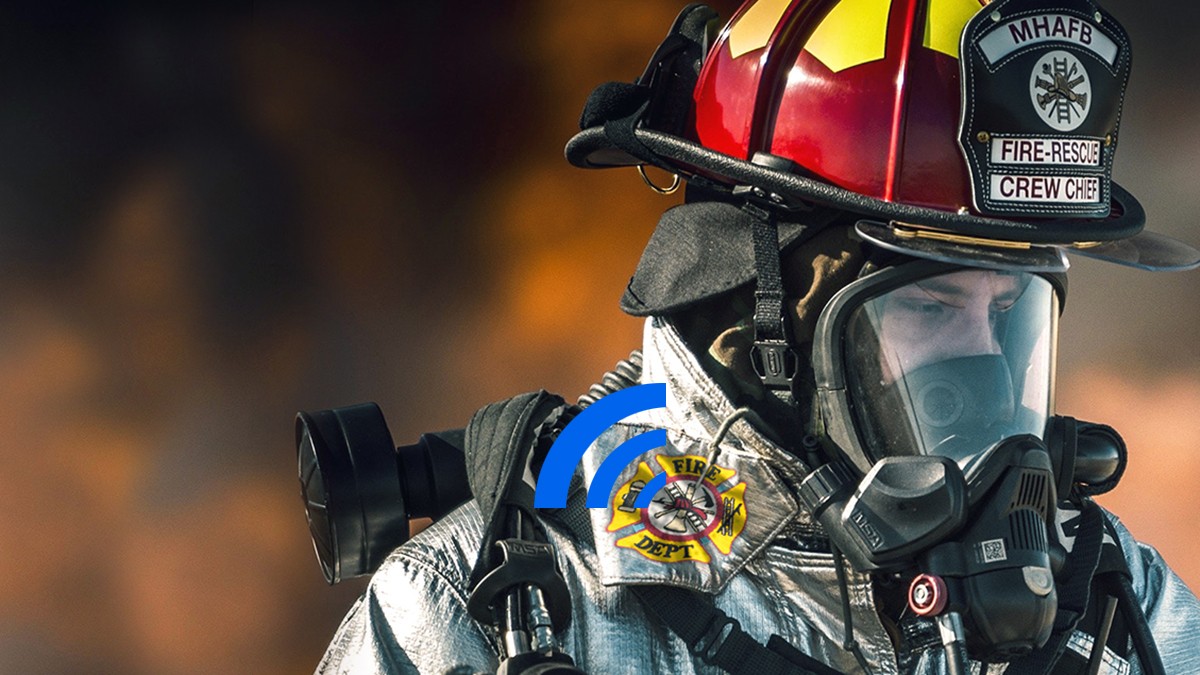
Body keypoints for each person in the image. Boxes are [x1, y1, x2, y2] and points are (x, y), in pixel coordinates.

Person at [313, 0, 1200, 673]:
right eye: (930, 309)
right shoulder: (488, 611)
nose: (982, 372)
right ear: (762, 318)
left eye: (1010, 314)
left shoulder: (1117, 603)